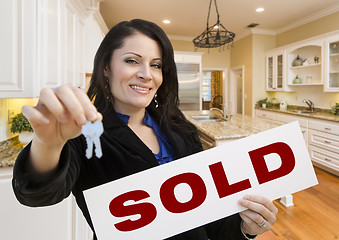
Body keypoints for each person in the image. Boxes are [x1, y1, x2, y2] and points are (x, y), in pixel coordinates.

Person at [12, 19, 277, 240]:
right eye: (131, 60)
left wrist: (246, 228)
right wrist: (48, 144)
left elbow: (211, 219)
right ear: (106, 67)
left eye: (156, 65)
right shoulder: (83, 134)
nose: (146, 74)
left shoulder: (180, 129)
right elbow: (37, 194)